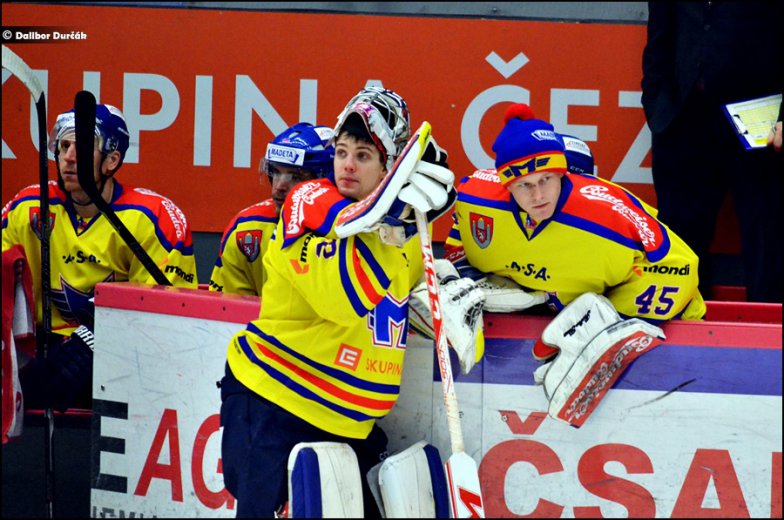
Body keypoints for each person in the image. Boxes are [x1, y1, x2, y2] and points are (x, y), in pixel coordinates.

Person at [218, 86, 459, 517]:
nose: (347, 165)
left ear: (389, 166)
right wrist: (393, 226)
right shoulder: (309, 205)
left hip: (349, 422)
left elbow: (407, 284)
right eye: (342, 152)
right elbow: (343, 299)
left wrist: (456, 289)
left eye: (363, 156)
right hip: (277, 401)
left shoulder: (405, 232)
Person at [1, 103, 198, 412]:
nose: (68, 157)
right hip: (38, 345)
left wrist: (85, 345)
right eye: (64, 146)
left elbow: (163, 317)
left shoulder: (152, 217)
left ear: (111, 160)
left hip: (117, 353)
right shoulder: (28, 207)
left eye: (81, 148)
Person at [445, 103, 706, 324]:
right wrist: (465, 276)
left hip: (667, 328)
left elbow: (679, 266)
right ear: (508, 186)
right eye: (525, 184)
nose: (538, 196)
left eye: (547, 179)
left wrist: (605, 323)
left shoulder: (610, 217)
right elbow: (462, 235)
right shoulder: (475, 199)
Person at [641, 1, 783, 302]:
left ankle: (770, 328)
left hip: (760, 126)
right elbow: (658, 42)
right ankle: (687, 323)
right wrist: (658, 108)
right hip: (683, 123)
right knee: (681, 246)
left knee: (767, 242)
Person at [209, 122, 335, 295]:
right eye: (275, 172)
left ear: (327, 180)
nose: (279, 187)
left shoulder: (349, 229)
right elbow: (225, 308)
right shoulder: (246, 229)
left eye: (296, 177)